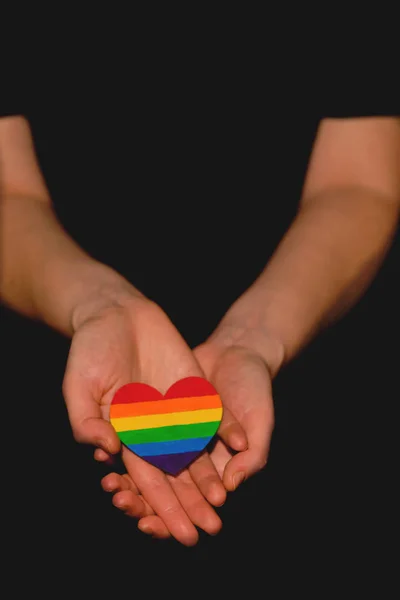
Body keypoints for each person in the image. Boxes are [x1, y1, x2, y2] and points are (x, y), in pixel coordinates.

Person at [1, 44, 399, 548]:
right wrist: (96, 302)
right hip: (37, 386)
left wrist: (256, 336)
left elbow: (359, 185)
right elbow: (7, 193)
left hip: (314, 374)